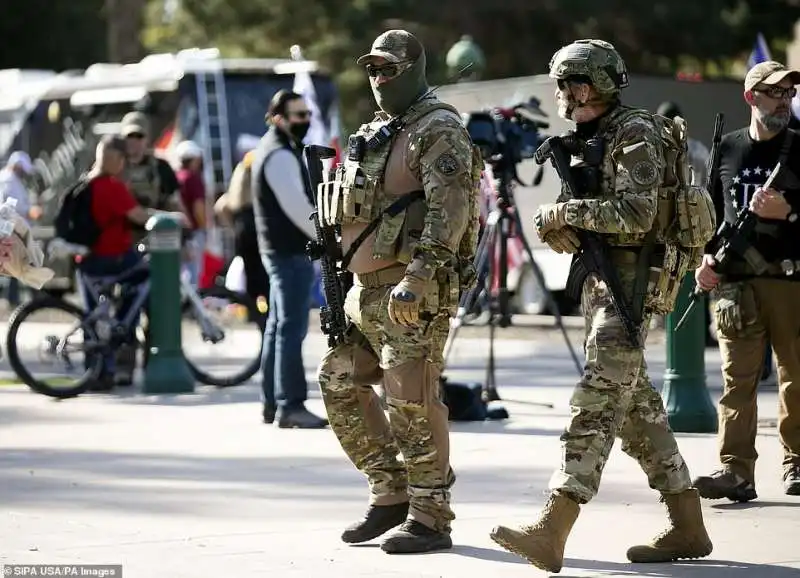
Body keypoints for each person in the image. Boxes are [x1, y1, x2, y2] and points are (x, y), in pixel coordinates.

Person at [489, 39, 713, 572]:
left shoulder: (636, 132)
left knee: (595, 401)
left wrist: (566, 213)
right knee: (638, 412)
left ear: (590, 85)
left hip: (633, 285)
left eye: (569, 84)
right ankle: (688, 524)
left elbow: (637, 214)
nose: (563, 95)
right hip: (604, 282)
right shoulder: (597, 135)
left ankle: (554, 524)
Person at [315, 29, 480, 554]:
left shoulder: (440, 130)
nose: (379, 78)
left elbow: (449, 212)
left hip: (413, 291)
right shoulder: (379, 130)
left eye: (389, 69)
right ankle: (390, 492)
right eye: (373, 70)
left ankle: (431, 515)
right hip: (362, 290)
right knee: (339, 382)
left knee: (412, 399)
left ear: (413, 69)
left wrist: (418, 276)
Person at [692, 60, 800, 500]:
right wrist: (703, 260)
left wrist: (789, 212)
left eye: (789, 94)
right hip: (736, 285)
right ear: (750, 96)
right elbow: (711, 217)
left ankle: (796, 466)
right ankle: (735, 472)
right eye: (775, 92)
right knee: (737, 381)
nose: (784, 101)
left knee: (796, 378)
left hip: (791, 282)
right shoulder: (728, 148)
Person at [251, 90, 328, 429]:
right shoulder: (279, 153)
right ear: (278, 118)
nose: (305, 121)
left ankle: (273, 403)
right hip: (288, 252)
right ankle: (290, 404)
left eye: (307, 114)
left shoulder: (277, 148)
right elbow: (298, 208)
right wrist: (327, 239)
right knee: (290, 329)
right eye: (298, 115)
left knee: (278, 328)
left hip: (280, 250)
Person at [75, 136, 156, 391]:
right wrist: (172, 219)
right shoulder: (112, 186)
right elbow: (140, 216)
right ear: (117, 160)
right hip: (113, 257)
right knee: (147, 276)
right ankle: (121, 323)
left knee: (91, 317)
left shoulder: (84, 184)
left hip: (85, 262)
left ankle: (96, 372)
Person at [214, 150, 270, 304]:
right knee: (264, 278)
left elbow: (220, 207)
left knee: (251, 277)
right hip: (259, 234)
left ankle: (254, 309)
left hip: (243, 234)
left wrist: (233, 228)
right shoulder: (259, 187)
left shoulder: (236, 189)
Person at [0, 151, 42, 305]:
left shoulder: (7, 178)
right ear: (17, 166)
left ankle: (14, 298)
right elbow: (14, 207)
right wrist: (32, 212)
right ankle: (33, 297)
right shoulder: (9, 181)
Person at [174, 140, 207, 287]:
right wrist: (203, 227)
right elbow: (198, 207)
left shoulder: (176, 177)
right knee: (193, 274)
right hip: (192, 233)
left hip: (178, 232)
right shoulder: (193, 178)